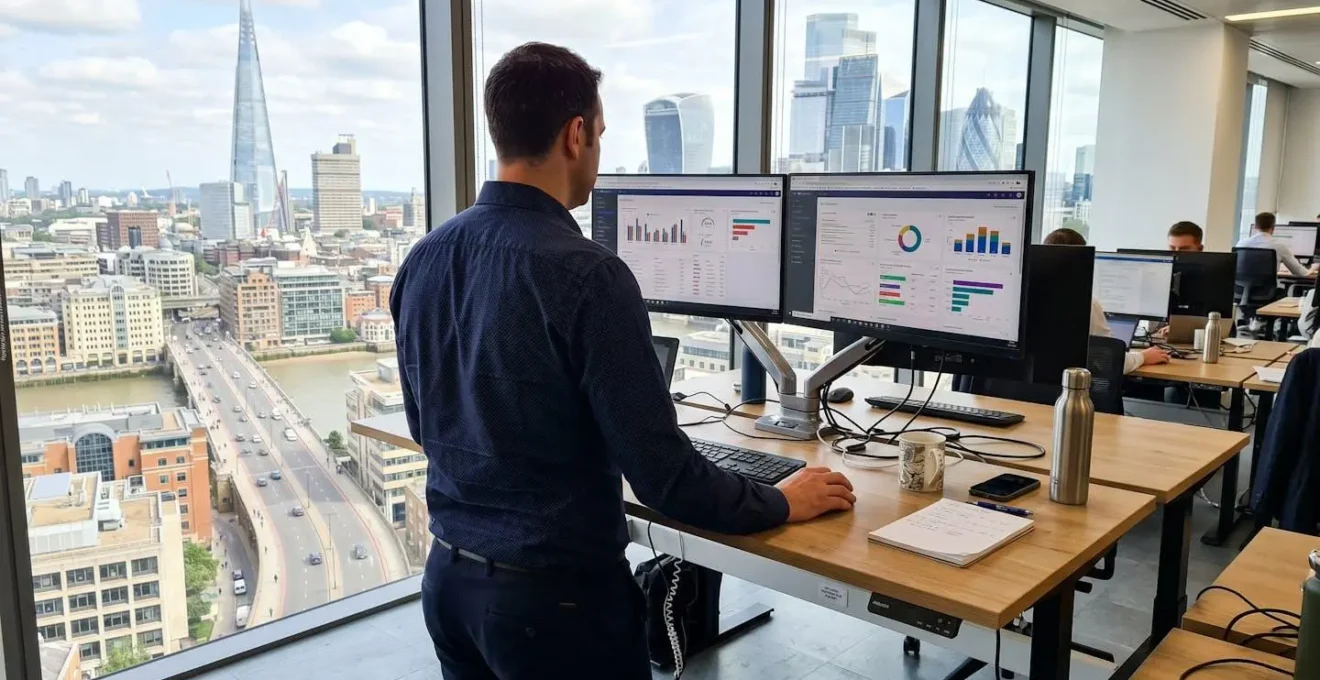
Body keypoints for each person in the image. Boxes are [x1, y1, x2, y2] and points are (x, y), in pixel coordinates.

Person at [391, 42, 856, 680]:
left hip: (448, 586)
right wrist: (780, 501)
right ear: (575, 134)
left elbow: (427, 426)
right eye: (601, 134)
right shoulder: (589, 275)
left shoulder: (424, 257)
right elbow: (665, 479)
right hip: (555, 610)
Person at [1043, 228, 1170, 373]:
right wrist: (1142, 357)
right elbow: (1108, 359)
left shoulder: (1029, 296)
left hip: (1035, 383)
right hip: (1071, 384)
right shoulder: (1085, 303)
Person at [1236, 212, 1312, 277]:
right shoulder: (1279, 246)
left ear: (1255, 226)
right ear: (1273, 227)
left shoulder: (1241, 244)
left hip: (1240, 288)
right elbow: (1300, 272)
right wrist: (1312, 269)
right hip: (1266, 289)